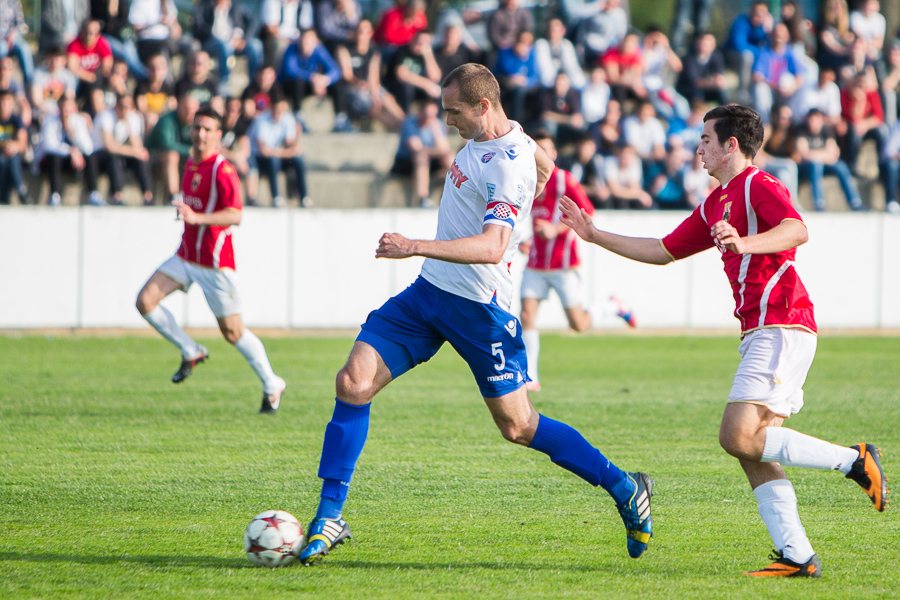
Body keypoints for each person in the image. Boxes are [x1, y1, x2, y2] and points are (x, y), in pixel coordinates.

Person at [295, 63, 654, 567]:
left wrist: (413, 245)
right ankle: (328, 515)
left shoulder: (508, 164)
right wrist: (543, 188)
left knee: (518, 425)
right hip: (428, 296)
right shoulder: (520, 145)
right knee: (353, 382)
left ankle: (624, 486)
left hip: (480, 309)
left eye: (453, 111)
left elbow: (491, 247)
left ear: (483, 106)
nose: (447, 121)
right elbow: (548, 169)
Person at [559, 103, 888, 578]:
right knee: (752, 447)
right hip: (763, 328)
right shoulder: (717, 201)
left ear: (732, 145)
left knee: (736, 436)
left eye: (707, 139)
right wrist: (593, 235)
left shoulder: (759, 184)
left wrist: (743, 243)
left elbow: (797, 229)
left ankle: (854, 461)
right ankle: (797, 555)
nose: (700, 148)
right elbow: (662, 251)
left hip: (782, 323)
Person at [135, 102, 286, 414]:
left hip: (215, 264)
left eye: (207, 130)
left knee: (233, 332)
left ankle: (272, 383)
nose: (200, 134)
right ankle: (190, 349)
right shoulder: (191, 162)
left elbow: (236, 215)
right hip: (186, 255)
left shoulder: (223, 170)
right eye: (197, 128)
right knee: (145, 301)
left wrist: (196, 217)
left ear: (219, 135)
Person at [520, 132, 634, 391]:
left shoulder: (564, 180)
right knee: (526, 316)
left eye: (546, 150)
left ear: (554, 154)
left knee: (578, 324)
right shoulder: (526, 181)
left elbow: (587, 212)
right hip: (536, 263)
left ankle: (613, 307)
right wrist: (524, 241)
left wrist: (555, 230)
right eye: (537, 150)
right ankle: (531, 377)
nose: (542, 155)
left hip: (563, 264)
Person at [245, 88, 309, 207]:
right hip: (258, 157)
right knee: (273, 161)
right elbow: (264, 151)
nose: (278, 114)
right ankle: (276, 197)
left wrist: (297, 135)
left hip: (274, 155)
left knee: (298, 160)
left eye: (280, 111)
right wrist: (287, 153)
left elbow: (291, 145)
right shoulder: (261, 120)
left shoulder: (287, 118)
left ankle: (304, 197)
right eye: (275, 110)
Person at [795, 107, 865, 211]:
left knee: (841, 166)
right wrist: (825, 155)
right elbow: (804, 155)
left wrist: (816, 155)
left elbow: (834, 154)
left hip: (823, 165)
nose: (812, 123)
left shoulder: (826, 130)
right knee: (816, 165)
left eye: (815, 120)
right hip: (806, 168)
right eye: (810, 120)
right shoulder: (801, 129)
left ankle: (855, 202)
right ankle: (819, 203)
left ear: (821, 120)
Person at [389, 97, 453, 208]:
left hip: (428, 159)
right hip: (406, 162)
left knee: (449, 158)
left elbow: (445, 150)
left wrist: (436, 131)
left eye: (433, 115)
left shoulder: (437, 125)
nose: (429, 118)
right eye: (427, 115)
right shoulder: (409, 124)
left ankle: (459, 193)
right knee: (421, 157)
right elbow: (416, 148)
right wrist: (436, 151)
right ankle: (423, 198)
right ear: (420, 113)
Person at [93, 92, 153, 205]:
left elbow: (138, 146)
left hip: (118, 151)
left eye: (128, 106)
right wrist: (134, 152)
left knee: (141, 158)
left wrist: (129, 125)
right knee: (113, 159)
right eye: (122, 106)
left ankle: (148, 196)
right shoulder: (105, 116)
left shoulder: (133, 118)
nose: (125, 109)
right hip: (99, 153)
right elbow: (109, 146)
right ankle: (117, 196)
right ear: (116, 106)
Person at [192, 0, 264, 96]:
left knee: (256, 45)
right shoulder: (205, 6)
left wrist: (244, 39)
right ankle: (224, 81)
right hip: (213, 42)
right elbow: (199, 27)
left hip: (237, 41)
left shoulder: (237, 7)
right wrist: (217, 11)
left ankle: (255, 81)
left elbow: (251, 22)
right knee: (224, 45)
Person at [146, 93, 200, 204]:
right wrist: (189, 151)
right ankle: (174, 196)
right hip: (153, 157)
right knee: (171, 156)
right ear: (180, 107)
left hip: (182, 159)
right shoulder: (167, 120)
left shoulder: (195, 123)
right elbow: (167, 145)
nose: (190, 113)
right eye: (187, 109)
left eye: (193, 110)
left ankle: (198, 197)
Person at [0, 88, 27, 204]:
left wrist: (14, 146)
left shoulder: (16, 120)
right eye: (2, 102)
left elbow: (22, 144)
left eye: (7, 102)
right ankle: (20, 190)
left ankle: (18, 189)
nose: (4, 105)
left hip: (12, 155)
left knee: (11, 157)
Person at [0, 0, 35, 86]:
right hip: (1, 40)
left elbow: (20, 23)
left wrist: (12, 34)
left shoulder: (13, 1)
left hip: (13, 38)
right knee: (2, 48)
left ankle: (30, 84)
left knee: (24, 49)